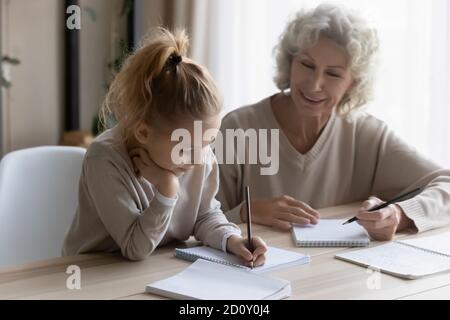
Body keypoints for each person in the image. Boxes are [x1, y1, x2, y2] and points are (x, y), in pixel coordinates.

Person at [217, 4, 450, 241]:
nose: (314, 84)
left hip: (338, 273)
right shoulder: (239, 127)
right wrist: (249, 211)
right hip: (255, 270)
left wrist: (399, 214)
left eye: (333, 74)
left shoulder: (366, 134)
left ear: (353, 83)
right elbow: (194, 220)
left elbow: (447, 184)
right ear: (290, 62)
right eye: (307, 65)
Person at [62, 28, 267, 266]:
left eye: (208, 142)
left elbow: (203, 215)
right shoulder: (105, 158)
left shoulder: (198, 154)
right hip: (94, 275)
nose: (199, 159)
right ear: (143, 132)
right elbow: (134, 247)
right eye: (186, 148)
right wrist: (167, 188)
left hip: (156, 269)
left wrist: (232, 240)